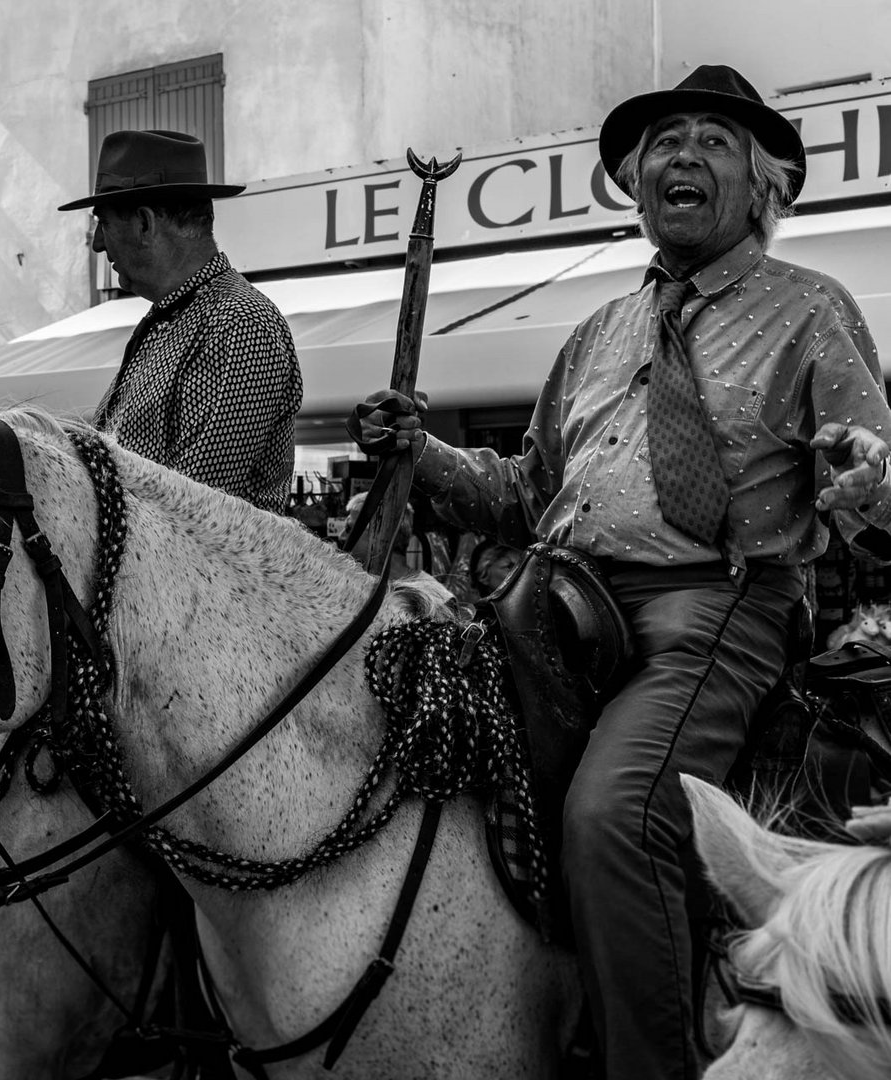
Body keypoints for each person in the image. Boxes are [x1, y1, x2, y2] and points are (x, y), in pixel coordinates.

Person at [352, 65, 891, 1079]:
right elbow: (520, 492)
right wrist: (419, 451)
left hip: (716, 612)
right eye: (665, 142)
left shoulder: (814, 310)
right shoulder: (598, 330)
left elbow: (875, 481)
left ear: (763, 190)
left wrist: (871, 479)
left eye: (713, 141)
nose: (681, 155)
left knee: (613, 815)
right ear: (636, 183)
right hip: (551, 608)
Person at [58, 129, 302, 513]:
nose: (98, 244)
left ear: (144, 224)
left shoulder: (240, 322)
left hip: (208, 575)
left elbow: (191, 513)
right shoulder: (172, 319)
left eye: (103, 223)